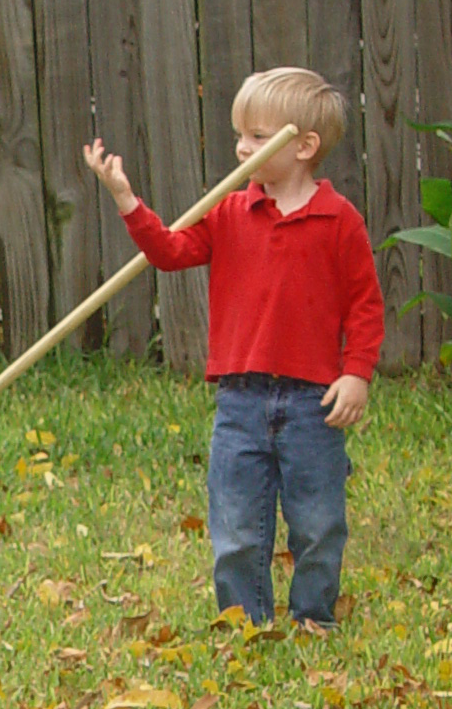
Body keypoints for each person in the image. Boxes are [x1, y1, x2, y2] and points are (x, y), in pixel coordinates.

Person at [83, 67, 384, 630]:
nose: (241, 147)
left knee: (318, 523)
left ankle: (313, 617)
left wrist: (357, 373)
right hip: (240, 402)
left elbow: (366, 306)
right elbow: (169, 252)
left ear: (303, 146)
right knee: (236, 525)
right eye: (239, 135)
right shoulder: (230, 212)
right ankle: (244, 623)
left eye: (256, 136)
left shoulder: (340, 222)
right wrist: (127, 201)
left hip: (313, 404)